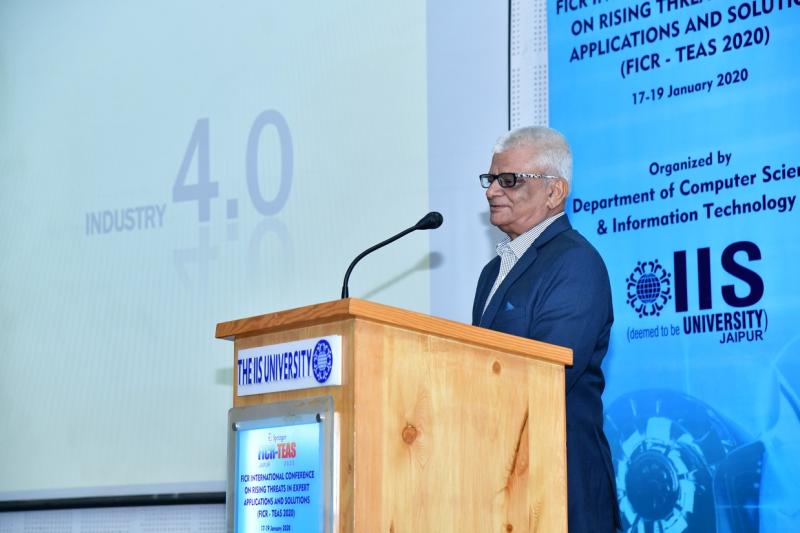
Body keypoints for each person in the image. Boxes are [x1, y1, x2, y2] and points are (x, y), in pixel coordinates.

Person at [472, 126, 621, 533]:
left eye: (509, 180)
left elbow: (547, 377)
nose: (491, 191)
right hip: (502, 484)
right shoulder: (492, 273)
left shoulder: (575, 263)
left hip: (560, 486)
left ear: (554, 191)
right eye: (490, 179)